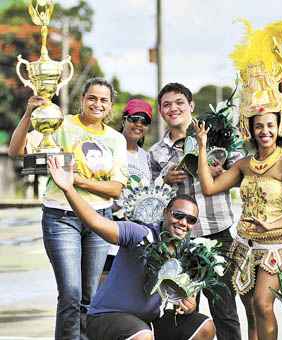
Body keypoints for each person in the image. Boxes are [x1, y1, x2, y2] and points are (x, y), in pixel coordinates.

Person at [8, 77, 127, 339]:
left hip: (98, 220)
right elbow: (17, 150)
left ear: (110, 106)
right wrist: (29, 113)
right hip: (61, 218)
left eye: (103, 100)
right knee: (71, 293)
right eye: (92, 98)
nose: (97, 104)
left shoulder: (116, 139)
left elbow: (116, 188)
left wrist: (75, 180)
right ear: (82, 99)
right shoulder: (60, 124)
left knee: (91, 296)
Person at [45, 156, 215, 340]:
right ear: (165, 213)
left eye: (191, 220)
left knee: (205, 327)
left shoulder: (189, 253)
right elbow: (95, 221)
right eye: (178, 215)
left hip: (148, 322)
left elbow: (185, 297)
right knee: (143, 336)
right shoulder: (139, 234)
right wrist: (69, 189)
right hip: (106, 317)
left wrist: (187, 304)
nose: (183, 223)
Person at [194, 109, 282, 340]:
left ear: (279, 128)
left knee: (263, 304)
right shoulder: (244, 164)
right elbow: (209, 188)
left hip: (274, 246)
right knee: (250, 311)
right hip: (243, 246)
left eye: (270, 125)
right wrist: (201, 146)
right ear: (251, 130)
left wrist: (274, 225)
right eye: (259, 126)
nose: (264, 131)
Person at [149, 82, 242, 340]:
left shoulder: (217, 134)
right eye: (166, 104)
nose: (173, 108)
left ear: (191, 106)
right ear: (160, 111)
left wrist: (221, 172)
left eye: (179, 102)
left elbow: (240, 170)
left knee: (224, 309)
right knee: (186, 309)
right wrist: (164, 180)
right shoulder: (156, 152)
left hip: (217, 233)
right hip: (181, 240)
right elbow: (152, 200)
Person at [104, 98, 153, 274]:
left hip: (137, 235)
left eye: (144, 121)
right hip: (110, 232)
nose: (138, 124)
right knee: (103, 288)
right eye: (134, 119)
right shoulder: (109, 150)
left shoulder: (146, 157)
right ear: (124, 120)